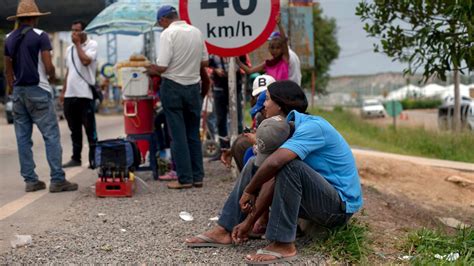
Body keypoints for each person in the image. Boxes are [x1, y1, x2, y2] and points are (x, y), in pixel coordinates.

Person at [186, 81, 363, 264]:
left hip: (338, 208)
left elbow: (277, 164)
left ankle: (284, 243)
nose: (264, 104)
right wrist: (248, 222)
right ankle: (224, 229)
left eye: (268, 99)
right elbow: (272, 179)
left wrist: (249, 191)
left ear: (280, 104)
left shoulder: (312, 127)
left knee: (289, 166)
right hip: (317, 200)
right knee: (255, 163)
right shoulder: (285, 129)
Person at [4, 0, 78, 193]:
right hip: (38, 89)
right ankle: (57, 180)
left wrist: (14, 88)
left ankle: (30, 181)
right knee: (51, 135)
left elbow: (8, 71)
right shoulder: (41, 36)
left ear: (19, 19)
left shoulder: (9, 38)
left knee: (22, 138)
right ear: (35, 17)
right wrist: (52, 75)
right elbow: (48, 66)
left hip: (18, 93)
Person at [145, 5, 208, 189]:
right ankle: (198, 177)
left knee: (178, 135)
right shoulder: (196, 32)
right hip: (193, 87)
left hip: (173, 87)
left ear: (164, 19)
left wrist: (150, 69)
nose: (161, 26)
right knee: (193, 134)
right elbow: (205, 61)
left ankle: (184, 179)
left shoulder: (168, 34)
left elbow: (162, 66)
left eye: (160, 23)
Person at [60, 20, 99, 168]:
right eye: (72, 30)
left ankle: (94, 159)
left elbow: (85, 61)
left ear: (84, 32)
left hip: (85, 95)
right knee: (74, 130)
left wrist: (77, 45)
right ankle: (76, 158)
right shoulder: (69, 49)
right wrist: (63, 91)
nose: (74, 34)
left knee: (90, 130)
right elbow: (69, 71)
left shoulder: (92, 45)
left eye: (77, 31)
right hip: (70, 95)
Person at [207, 55, 247, 160]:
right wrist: (215, 70)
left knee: (237, 119)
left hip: (235, 87)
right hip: (219, 87)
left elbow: (245, 63)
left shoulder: (237, 48)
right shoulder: (213, 51)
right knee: (220, 120)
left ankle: (239, 148)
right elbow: (206, 63)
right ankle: (224, 149)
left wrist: (236, 67)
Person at [236, 15, 289, 81]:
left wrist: (279, 24)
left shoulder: (284, 59)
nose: (275, 50)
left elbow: (284, 41)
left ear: (282, 49)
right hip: (272, 91)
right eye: (272, 48)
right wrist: (238, 61)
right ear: (269, 49)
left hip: (283, 90)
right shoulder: (267, 64)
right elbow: (249, 71)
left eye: (278, 48)